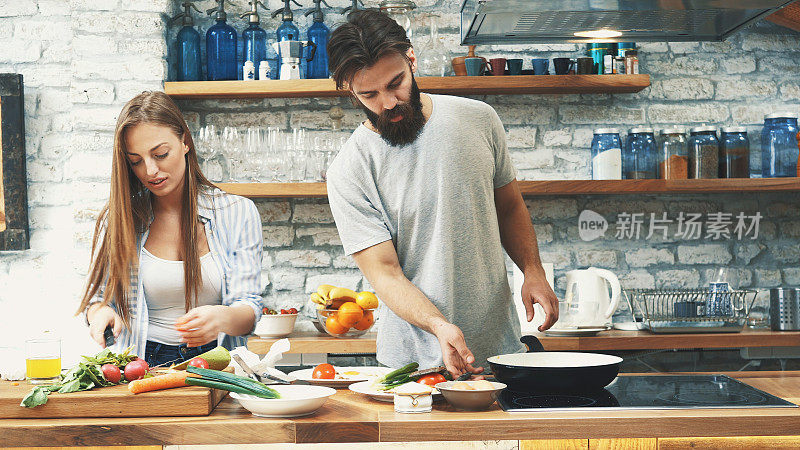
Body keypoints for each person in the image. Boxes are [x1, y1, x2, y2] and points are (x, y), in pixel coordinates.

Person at [325, 10, 559, 378]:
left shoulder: (479, 119)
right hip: (413, 366)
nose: (388, 103)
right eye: (369, 94)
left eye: (396, 83)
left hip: (502, 352)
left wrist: (533, 270)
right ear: (348, 91)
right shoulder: (349, 169)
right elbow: (385, 275)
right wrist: (438, 325)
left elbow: (510, 207)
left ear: (412, 60)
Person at [76, 91, 264, 367]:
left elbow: (249, 309)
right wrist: (100, 313)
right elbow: (96, 300)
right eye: (136, 161)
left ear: (185, 142)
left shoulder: (237, 213)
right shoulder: (120, 219)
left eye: (161, 154)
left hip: (217, 361)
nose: (150, 170)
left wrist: (221, 317)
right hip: (141, 366)